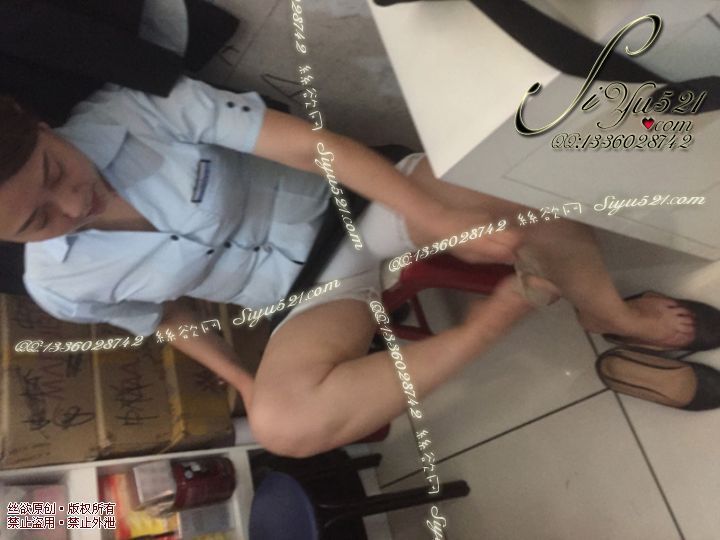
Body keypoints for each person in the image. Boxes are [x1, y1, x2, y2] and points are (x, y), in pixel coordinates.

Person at [0, 76, 714, 458]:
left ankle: (607, 313)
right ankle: (496, 318)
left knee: (513, 187)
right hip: (306, 294)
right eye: (38, 220)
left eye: (55, 171)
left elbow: (311, 147)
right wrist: (244, 381)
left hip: (353, 202)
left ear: (40, 125)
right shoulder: (57, 285)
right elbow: (166, 314)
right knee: (283, 426)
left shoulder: (132, 108)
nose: (74, 203)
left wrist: (431, 216)